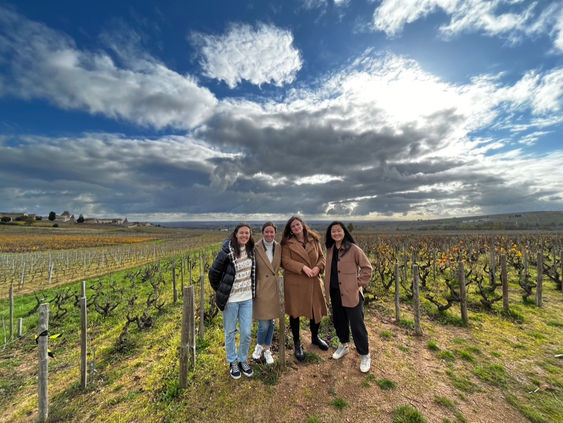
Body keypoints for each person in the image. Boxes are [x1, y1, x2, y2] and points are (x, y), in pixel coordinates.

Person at [324, 221, 373, 373]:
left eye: (339, 230)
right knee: (339, 322)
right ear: (330, 234)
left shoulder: (353, 249)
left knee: (357, 325)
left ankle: (364, 354)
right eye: (333, 231)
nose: (336, 233)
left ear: (344, 232)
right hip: (335, 292)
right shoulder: (330, 249)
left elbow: (367, 268)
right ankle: (344, 345)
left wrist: (357, 284)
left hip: (351, 293)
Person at [209, 223, 256, 379]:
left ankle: (242, 360)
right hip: (231, 300)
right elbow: (213, 273)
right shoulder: (227, 251)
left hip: (247, 299)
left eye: (247, 233)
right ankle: (232, 361)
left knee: (246, 333)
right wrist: (222, 291)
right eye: (241, 233)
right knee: (230, 332)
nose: (244, 235)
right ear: (236, 234)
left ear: (250, 235)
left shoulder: (252, 250)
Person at [281, 216, 329, 361]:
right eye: (293, 226)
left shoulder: (314, 239)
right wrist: (302, 267)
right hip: (295, 282)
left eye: (297, 224)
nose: (296, 227)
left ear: (302, 225)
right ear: (290, 230)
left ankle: (315, 337)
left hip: (313, 280)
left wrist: (318, 267)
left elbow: (322, 257)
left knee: (316, 310)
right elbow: (285, 261)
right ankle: (297, 343)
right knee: (295, 313)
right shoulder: (287, 243)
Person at [251, 222, 282, 365]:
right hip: (262, 288)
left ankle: (267, 350)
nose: (269, 234)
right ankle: (259, 346)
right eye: (266, 232)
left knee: (272, 322)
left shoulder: (279, 247)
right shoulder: (255, 247)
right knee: (264, 324)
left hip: (274, 288)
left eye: (271, 232)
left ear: (275, 233)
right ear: (262, 233)